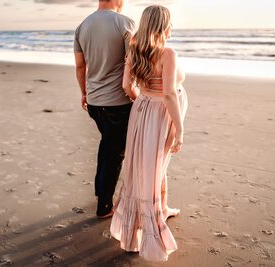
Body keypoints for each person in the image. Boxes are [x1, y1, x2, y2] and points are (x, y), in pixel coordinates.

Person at [110, 5, 188, 262]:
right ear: (164, 26)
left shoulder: (135, 49)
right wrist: (179, 129)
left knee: (146, 167)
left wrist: (142, 101)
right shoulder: (167, 52)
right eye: (170, 22)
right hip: (160, 115)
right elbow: (168, 94)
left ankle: (160, 210)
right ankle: (154, 220)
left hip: (141, 110)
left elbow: (126, 86)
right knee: (156, 165)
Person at [74, 0, 135, 218]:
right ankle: (104, 206)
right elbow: (132, 64)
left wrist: (84, 93)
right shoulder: (125, 23)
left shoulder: (82, 26)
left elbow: (81, 66)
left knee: (107, 146)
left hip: (94, 102)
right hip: (118, 102)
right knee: (115, 153)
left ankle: (101, 193)